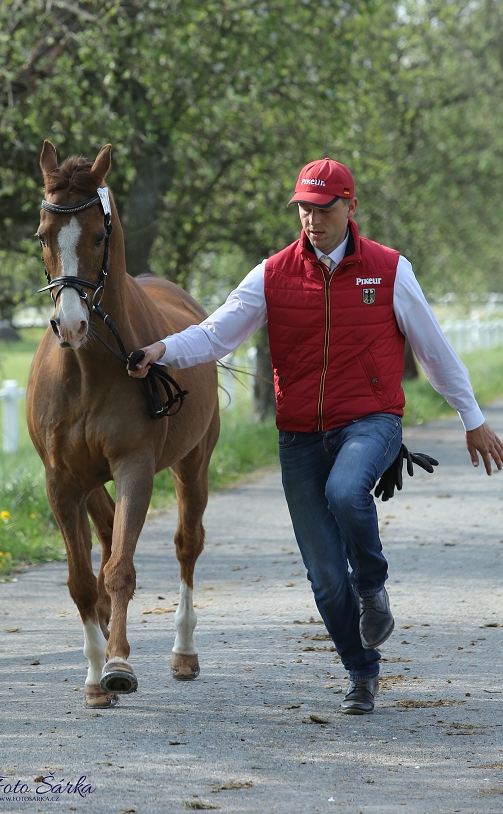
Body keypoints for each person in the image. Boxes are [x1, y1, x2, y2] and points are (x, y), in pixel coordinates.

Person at [128, 158, 503, 715]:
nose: (311, 218)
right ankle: (361, 673)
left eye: (323, 208)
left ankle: (373, 585)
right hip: (300, 435)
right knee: (326, 580)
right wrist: (163, 350)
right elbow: (215, 335)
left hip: (371, 420)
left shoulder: (389, 270)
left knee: (346, 492)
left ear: (350, 207)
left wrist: (471, 416)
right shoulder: (272, 274)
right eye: (303, 207)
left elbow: (434, 349)